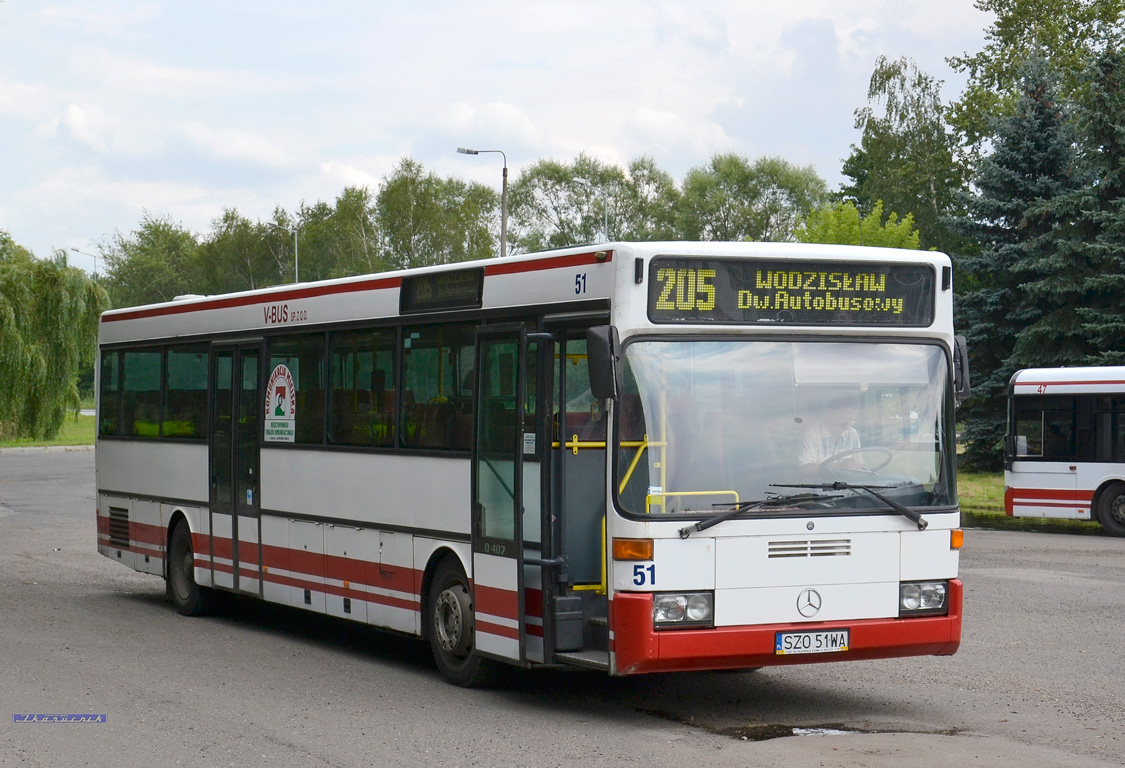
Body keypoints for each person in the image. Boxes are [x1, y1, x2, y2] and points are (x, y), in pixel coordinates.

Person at [799, 392, 863, 475]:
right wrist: (839, 466)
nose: (847, 426)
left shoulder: (852, 434)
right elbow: (804, 468)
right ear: (830, 413)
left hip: (849, 485)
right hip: (817, 485)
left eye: (851, 420)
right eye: (844, 419)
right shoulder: (811, 434)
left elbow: (860, 466)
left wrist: (854, 466)